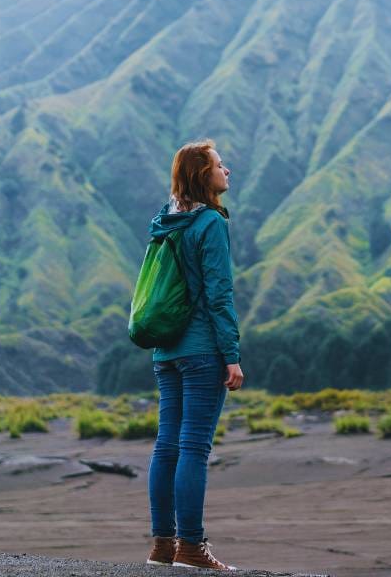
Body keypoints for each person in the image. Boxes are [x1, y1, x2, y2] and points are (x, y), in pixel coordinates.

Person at [145, 139, 243, 570]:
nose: (228, 170)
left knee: (166, 447)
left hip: (165, 350)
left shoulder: (165, 221)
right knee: (193, 449)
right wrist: (232, 354)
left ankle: (162, 547)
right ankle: (191, 548)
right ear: (205, 175)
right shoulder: (210, 224)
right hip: (202, 349)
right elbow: (220, 295)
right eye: (221, 165)